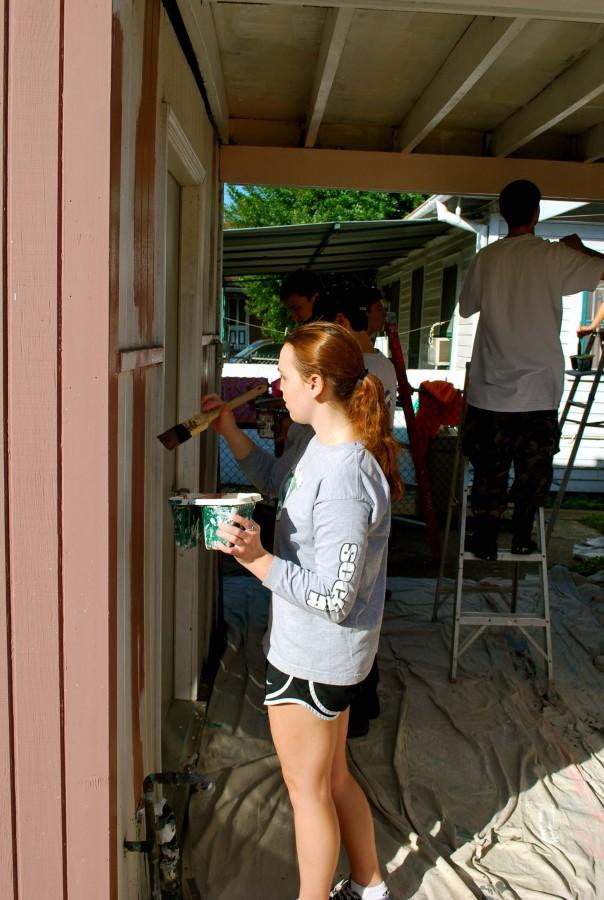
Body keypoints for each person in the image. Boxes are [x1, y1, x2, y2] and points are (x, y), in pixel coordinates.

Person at [202, 322, 402, 900]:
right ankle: (370, 886)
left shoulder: (343, 479)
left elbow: (335, 599)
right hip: (320, 655)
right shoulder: (322, 447)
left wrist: (258, 560)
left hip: (315, 658)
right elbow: (278, 485)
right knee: (332, 779)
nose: (274, 384)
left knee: (307, 794)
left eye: (284, 375)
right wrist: (228, 434)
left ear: (316, 384)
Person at [459, 179, 604, 560]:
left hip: (490, 389)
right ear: (536, 213)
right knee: (532, 473)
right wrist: (582, 249)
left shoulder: (486, 258)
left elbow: (465, 307)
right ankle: (522, 537)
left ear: (503, 213)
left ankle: (485, 539)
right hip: (539, 389)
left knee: (489, 471)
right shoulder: (554, 256)